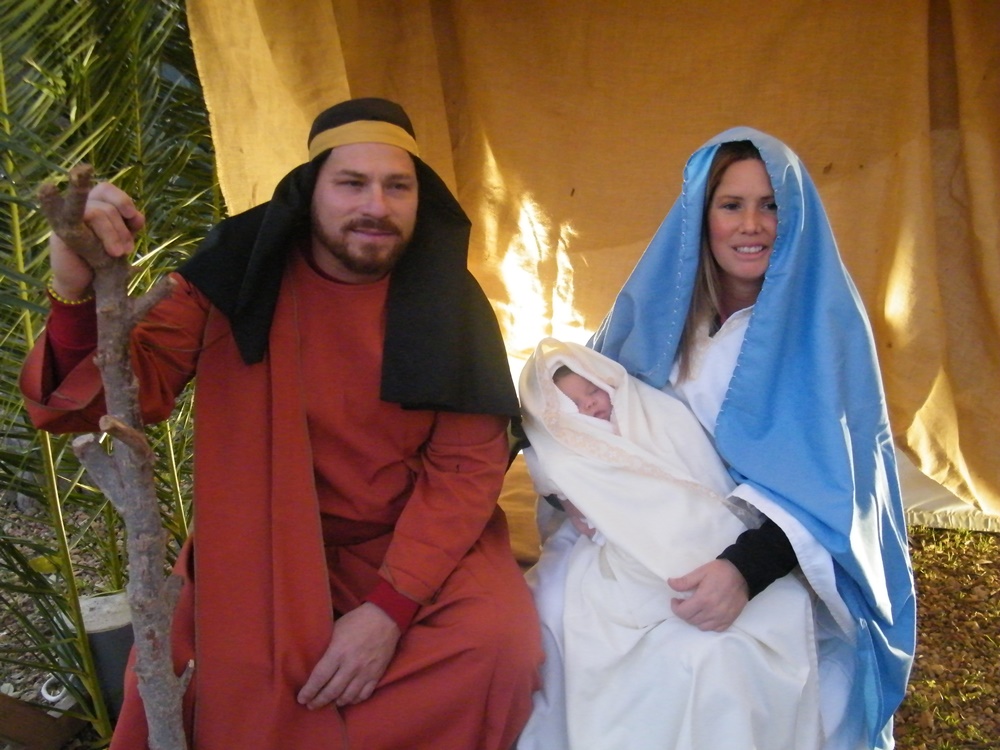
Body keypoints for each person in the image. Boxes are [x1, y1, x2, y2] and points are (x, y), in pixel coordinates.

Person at [20, 97, 542, 749]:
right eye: (351, 183)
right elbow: (110, 394)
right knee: (241, 693)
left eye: (397, 186)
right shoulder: (231, 278)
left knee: (497, 648)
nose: (376, 206)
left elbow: (465, 469)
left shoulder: (451, 301)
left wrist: (388, 610)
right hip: (264, 545)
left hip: (412, 543)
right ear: (310, 190)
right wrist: (74, 288)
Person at [581, 129, 916, 749]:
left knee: (705, 667)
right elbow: (581, 396)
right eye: (731, 205)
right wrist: (575, 483)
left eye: (771, 205)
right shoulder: (662, 314)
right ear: (700, 217)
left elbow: (836, 488)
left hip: (775, 556)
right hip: (644, 534)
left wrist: (743, 570)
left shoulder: (828, 328)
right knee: (562, 617)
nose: (752, 225)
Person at [516, 337, 821, 750]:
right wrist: (572, 497)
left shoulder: (651, 411)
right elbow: (553, 462)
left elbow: (695, 466)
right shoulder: (571, 449)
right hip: (632, 552)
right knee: (578, 623)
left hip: (716, 533)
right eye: (575, 406)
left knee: (723, 657)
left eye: (593, 390)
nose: (591, 405)